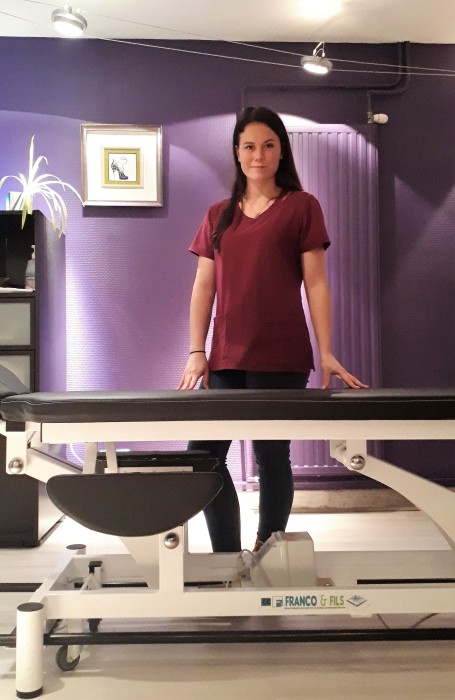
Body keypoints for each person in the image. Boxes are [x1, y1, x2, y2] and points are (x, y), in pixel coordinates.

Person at [178, 106, 367, 553]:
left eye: (268, 145)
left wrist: (327, 351)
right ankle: (227, 558)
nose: (258, 155)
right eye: (249, 146)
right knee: (203, 458)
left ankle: (267, 550)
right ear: (237, 153)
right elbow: (203, 286)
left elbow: (316, 283)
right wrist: (196, 350)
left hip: (281, 356)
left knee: (271, 456)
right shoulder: (218, 214)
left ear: (281, 151)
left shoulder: (302, 206)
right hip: (226, 356)